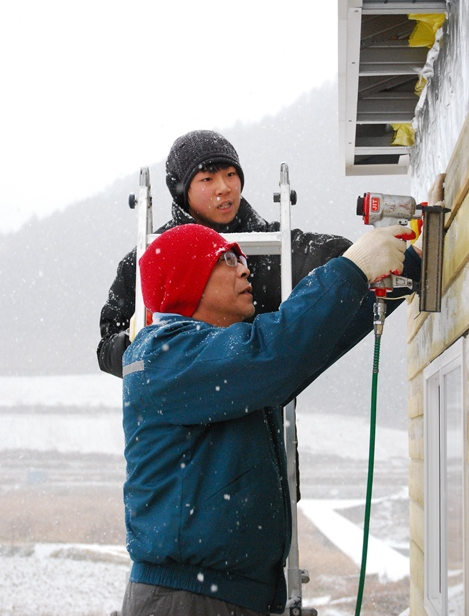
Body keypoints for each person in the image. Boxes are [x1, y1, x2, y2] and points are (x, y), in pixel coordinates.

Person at [119, 222, 421, 616]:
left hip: (221, 595)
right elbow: (279, 353)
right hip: (188, 599)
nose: (245, 269)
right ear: (186, 279)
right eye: (228, 260)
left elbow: (307, 347)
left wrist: (405, 270)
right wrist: (352, 269)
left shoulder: (222, 362)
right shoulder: (164, 353)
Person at [97, 129, 353, 378]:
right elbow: (107, 348)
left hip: (261, 395)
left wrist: (361, 258)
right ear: (180, 190)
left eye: (230, 174)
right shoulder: (154, 257)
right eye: (207, 179)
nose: (224, 188)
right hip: (183, 398)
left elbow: (343, 258)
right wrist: (138, 340)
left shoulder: (275, 245)